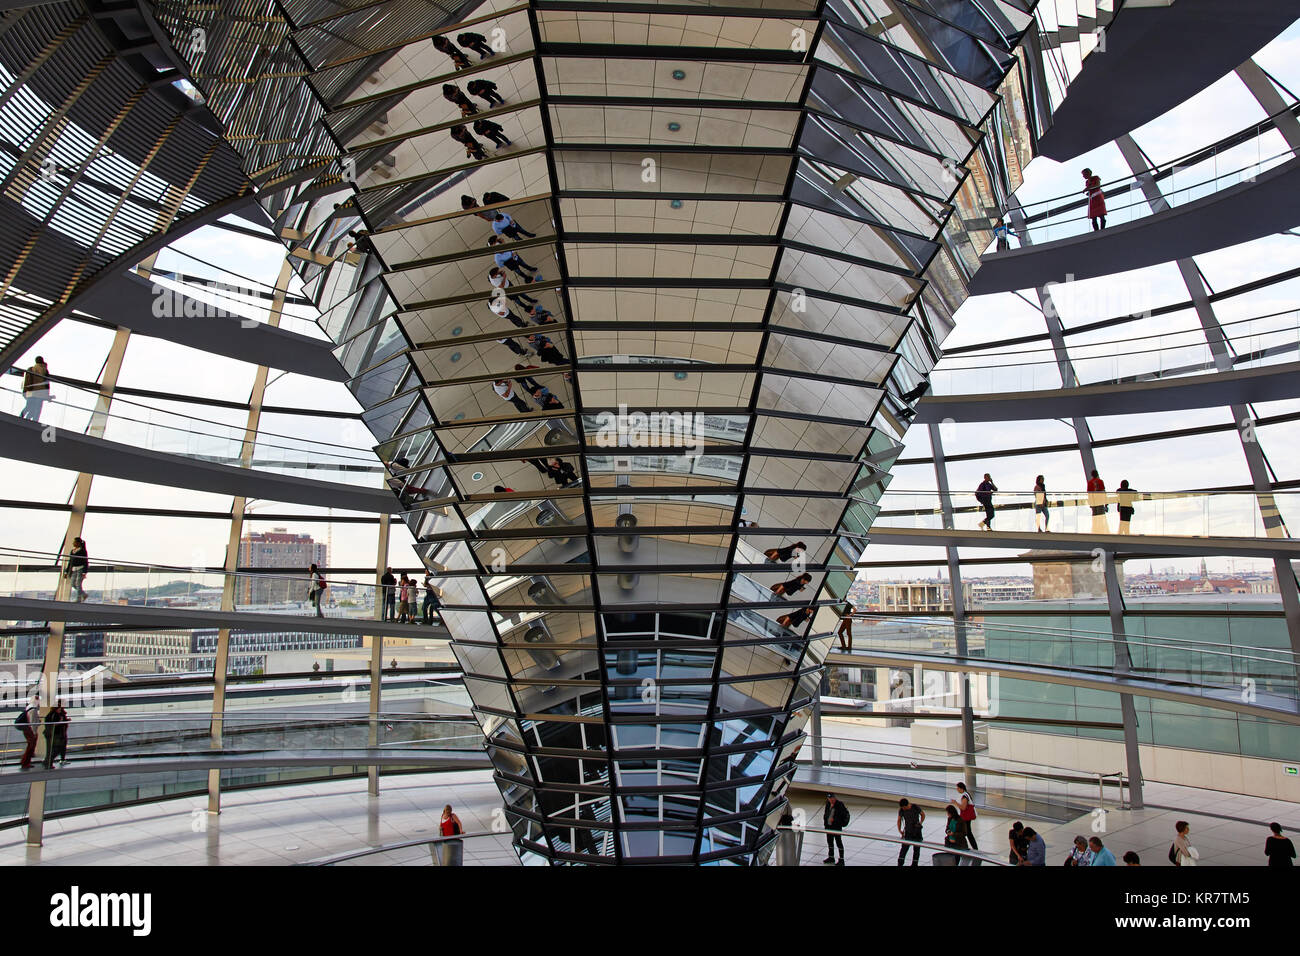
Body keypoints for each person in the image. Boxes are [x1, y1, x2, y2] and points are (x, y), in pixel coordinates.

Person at [20, 355, 50, 421]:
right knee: (37, 410)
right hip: (41, 394)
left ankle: (20, 418)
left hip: (31, 392)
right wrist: (47, 395)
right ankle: (34, 422)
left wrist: (24, 392)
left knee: (28, 407)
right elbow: (47, 384)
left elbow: (27, 381)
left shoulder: (31, 369)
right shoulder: (45, 370)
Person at [896, 798, 925, 866]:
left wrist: (920, 822)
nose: (903, 809)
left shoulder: (915, 807)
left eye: (903, 807)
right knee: (904, 849)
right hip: (908, 832)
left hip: (917, 832)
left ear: (906, 806)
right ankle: (900, 863)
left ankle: (914, 864)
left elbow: (923, 814)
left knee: (916, 850)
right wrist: (899, 830)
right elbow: (899, 820)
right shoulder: (902, 810)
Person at [823, 793, 849, 865]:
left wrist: (834, 820)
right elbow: (826, 813)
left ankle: (841, 859)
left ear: (834, 798)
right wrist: (825, 821)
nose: (830, 800)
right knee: (830, 842)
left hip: (836, 827)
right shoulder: (828, 803)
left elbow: (842, 816)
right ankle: (831, 857)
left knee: (838, 843)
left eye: (831, 798)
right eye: (829, 798)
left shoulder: (840, 804)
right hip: (829, 827)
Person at [15, 695, 40, 769]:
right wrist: (35, 733)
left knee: (30, 745)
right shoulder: (33, 709)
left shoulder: (29, 707)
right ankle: (25, 762)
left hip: (27, 729)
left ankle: (25, 762)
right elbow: (32, 722)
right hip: (29, 730)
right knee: (31, 746)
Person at [42, 699, 68, 769]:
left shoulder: (51, 714)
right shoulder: (54, 715)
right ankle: (49, 762)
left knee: (51, 749)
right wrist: (60, 721)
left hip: (51, 734)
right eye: (59, 709)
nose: (60, 710)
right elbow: (53, 724)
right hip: (54, 734)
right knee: (56, 749)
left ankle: (47, 762)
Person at [64, 536, 89, 603]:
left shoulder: (83, 551)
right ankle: (83, 594)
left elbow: (85, 561)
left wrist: (84, 572)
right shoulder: (72, 551)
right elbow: (70, 562)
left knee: (78, 584)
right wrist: (66, 571)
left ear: (78, 543)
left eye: (74, 542)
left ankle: (78, 599)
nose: (73, 543)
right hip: (74, 569)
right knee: (73, 584)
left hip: (80, 569)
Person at [1087, 468, 1108, 533]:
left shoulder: (1090, 483)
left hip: (1093, 502)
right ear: (1097, 474)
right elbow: (1103, 492)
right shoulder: (1100, 481)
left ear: (1092, 475)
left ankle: (1095, 529)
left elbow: (1089, 494)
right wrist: (1106, 502)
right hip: (1100, 501)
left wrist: (1090, 503)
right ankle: (1101, 530)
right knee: (1100, 516)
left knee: (1095, 516)